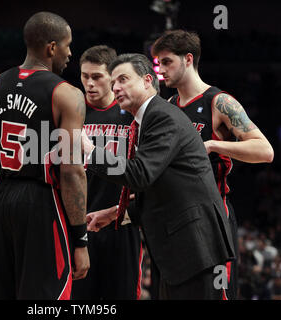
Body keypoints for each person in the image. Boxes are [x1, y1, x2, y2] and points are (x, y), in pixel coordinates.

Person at [83, 53, 235, 300]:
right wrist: (114, 213)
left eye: (123, 79)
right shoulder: (147, 119)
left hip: (195, 248)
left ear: (146, 81)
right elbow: (161, 190)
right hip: (181, 250)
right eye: (113, 83)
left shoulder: (161, 116)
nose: (116, 87)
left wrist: (90, 151)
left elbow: (140, 175)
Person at [0, 11, 90, 299]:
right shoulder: (67, 94)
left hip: (4, 199)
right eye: (67, 45)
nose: (70, 52)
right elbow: (72, 171)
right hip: (42, 203)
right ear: (51, 47)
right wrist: (80, 239)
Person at [150, 29, 274, 299]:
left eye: (167, 61)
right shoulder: (167, 107)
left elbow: (265, 150)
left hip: (212, 215)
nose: (161, 70)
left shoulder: (219, 102)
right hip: (174, 219)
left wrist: (212, 145)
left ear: (188, 59)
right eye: (158, 64)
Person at [72, 45, 143, 300]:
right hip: (79, 225)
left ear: (111, 77)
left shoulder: (133, 115)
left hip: (120, 223)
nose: (89, 83)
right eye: (84, 76)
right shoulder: (71, 112)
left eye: (97, 77)